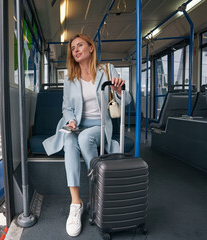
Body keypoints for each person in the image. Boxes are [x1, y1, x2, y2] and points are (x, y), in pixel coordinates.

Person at [42, 33, 131, 237]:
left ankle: (100, 189)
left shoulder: (107, 70)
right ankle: (76, 203)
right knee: (70, 139)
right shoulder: (69, 79)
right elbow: (66, 108)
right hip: (78, 125)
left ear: (91, 48)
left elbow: (126, 102)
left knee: (82, 138)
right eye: (73, 48)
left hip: (101, 125)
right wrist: (71, 121)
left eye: (80, 45)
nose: (76, 50)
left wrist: (119, 91)